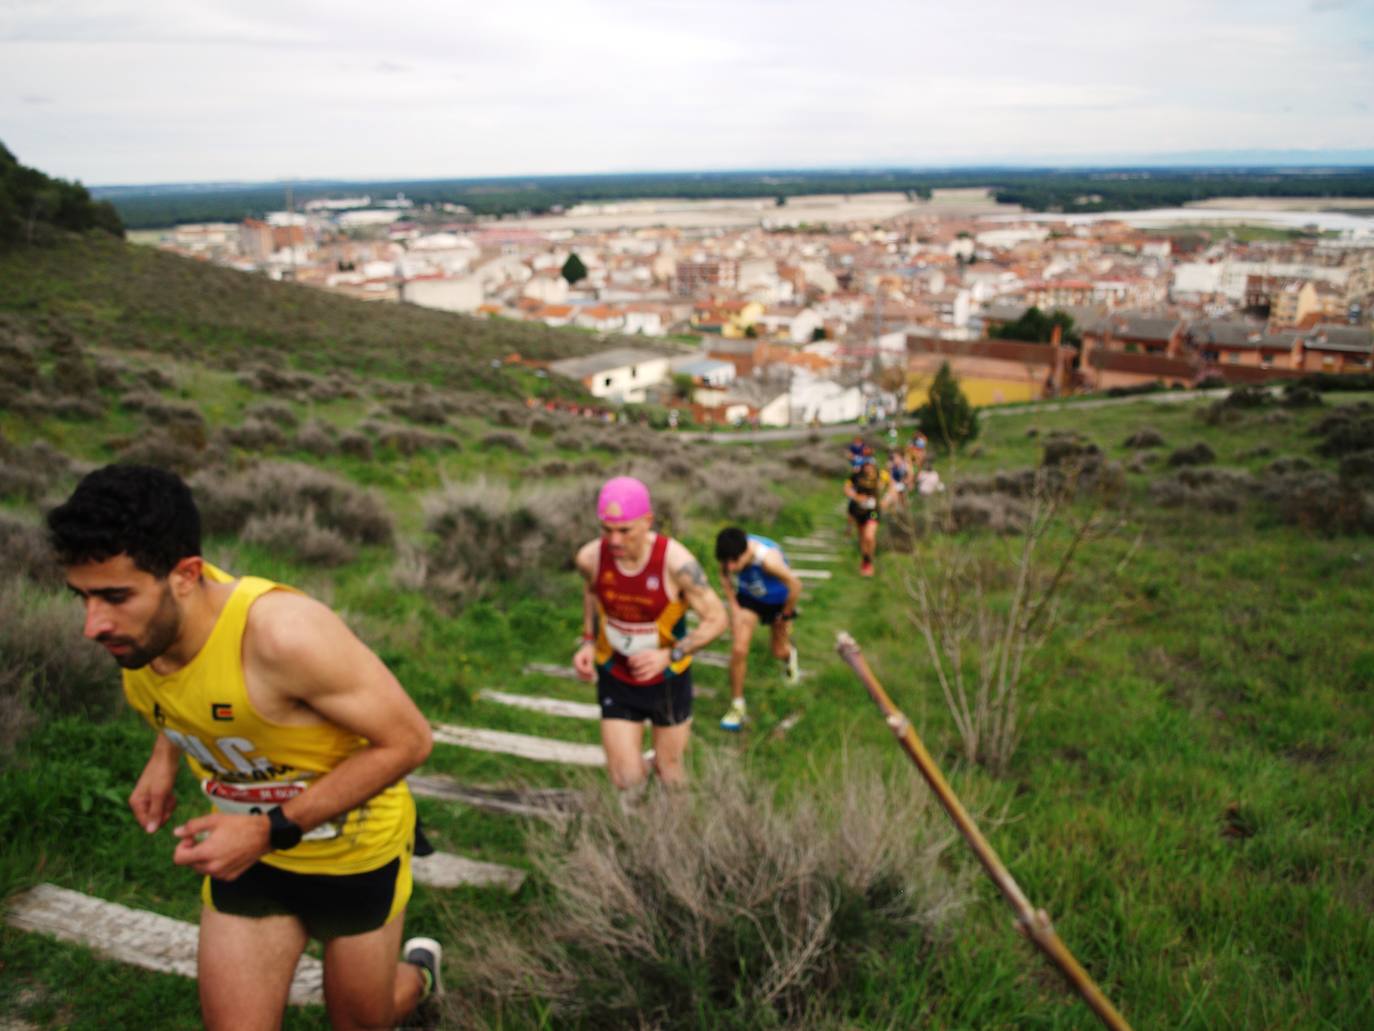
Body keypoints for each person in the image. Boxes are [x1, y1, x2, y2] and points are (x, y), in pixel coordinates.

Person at [47, 465, 441, 1031]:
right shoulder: (145, 632)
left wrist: (267, 829)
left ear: (185, 575)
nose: (93, 625)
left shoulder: (283, 635)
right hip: (251, 862)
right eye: (81, 597)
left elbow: (408, 741)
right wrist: (163, 758)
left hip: (354, 853)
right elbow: (189, 688)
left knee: (364, 1020)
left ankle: (420, 974)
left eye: (114, 596)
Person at [572, 476, 727, 790]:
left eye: (624, 530)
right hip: (617, 674)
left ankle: (676, 835)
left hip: (668, 680)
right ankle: (634, 829)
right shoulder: (590, 558)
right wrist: (588, 641)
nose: (613, 540)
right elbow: (592, 593)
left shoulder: (676, 563)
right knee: (626, 780)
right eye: (606, 529)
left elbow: (717, 618)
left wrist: (670, 654)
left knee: (670, 775)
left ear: (647, 522)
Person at [713, 527, 802, 731]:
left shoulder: (769, 561)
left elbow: (795, 585)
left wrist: (785, 615)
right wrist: (734, 607)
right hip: (750, 598)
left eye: (735, 562)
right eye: (727, 562)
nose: (731, 567)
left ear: (746, 553)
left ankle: (791, 655)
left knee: (778, 651)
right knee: (738, 649)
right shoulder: (730, 553)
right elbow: (724, 575)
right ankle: (737, 706)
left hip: (778, 601)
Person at [844, 447, 887, 577]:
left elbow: (892, 487)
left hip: (873, 511)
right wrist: (856, 497)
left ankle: (869, 559)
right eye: (866, 464)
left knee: (870, 536)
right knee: (863, 537)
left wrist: (886, 500)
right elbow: (846, 488)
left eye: (870, 464)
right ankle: (866, 561)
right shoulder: (856, 475)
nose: (868, 467)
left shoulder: (881, 474)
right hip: (859, 511)